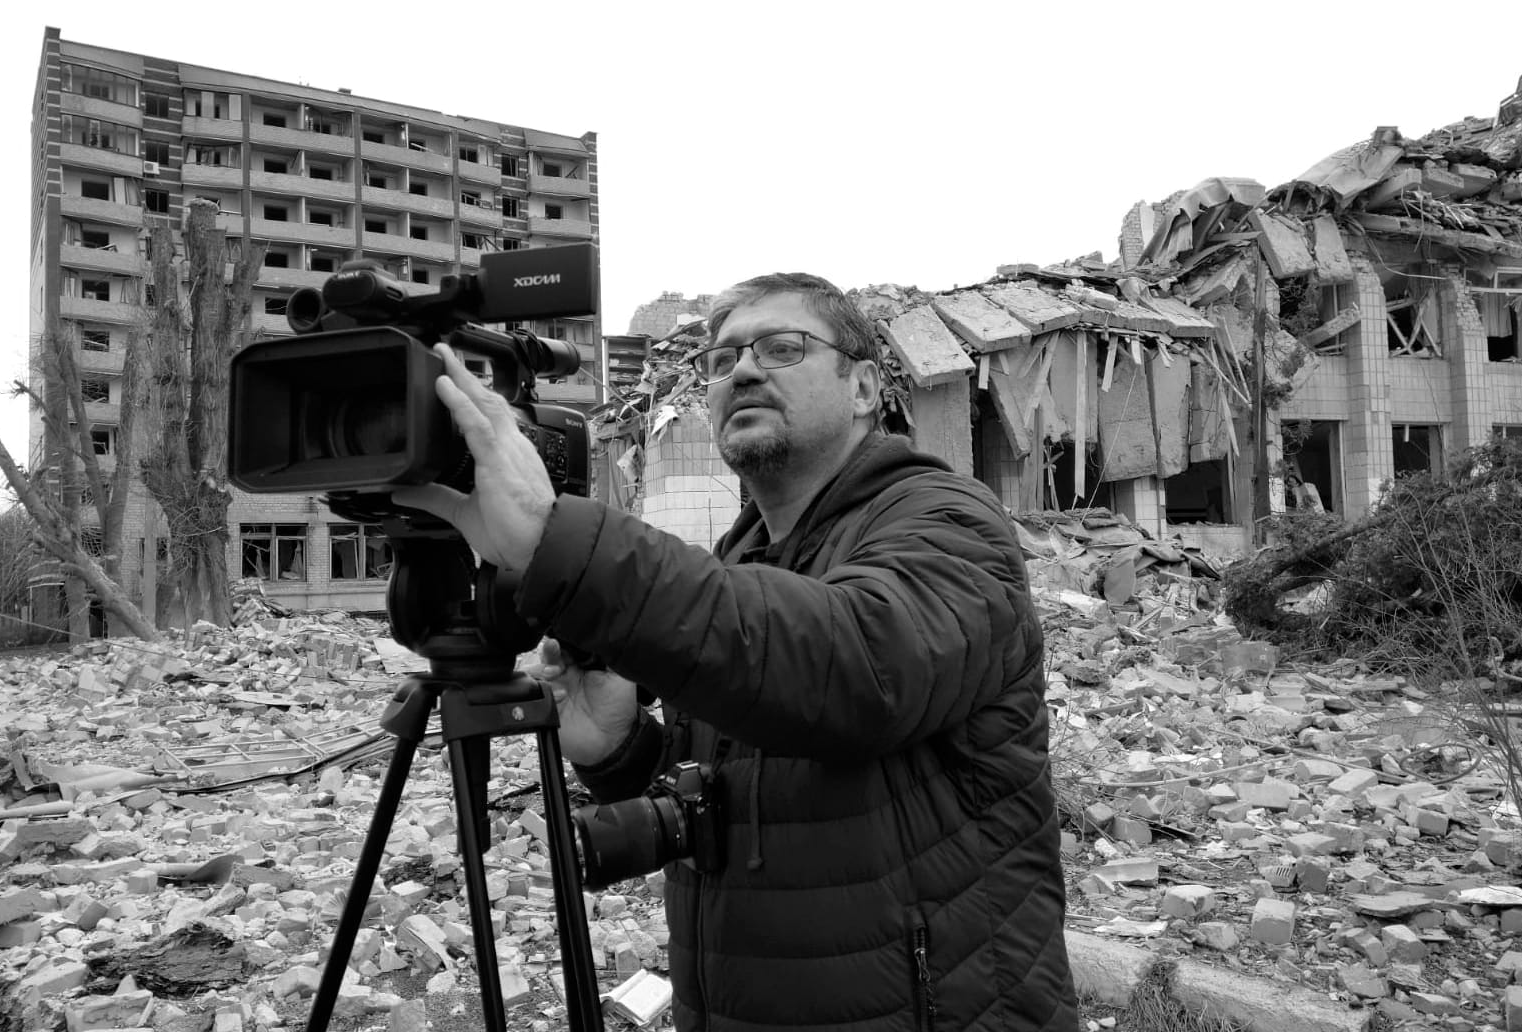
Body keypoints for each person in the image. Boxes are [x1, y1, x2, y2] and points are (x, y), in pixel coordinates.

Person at [394, 273, 1077, 1031]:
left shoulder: (948, 521)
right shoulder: (739, 560)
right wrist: (621, 749)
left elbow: (855, 675)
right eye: (722, 361)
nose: (743, 371)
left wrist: (556, 539)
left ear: (863, 389)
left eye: (781, 348)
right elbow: (749, 794)